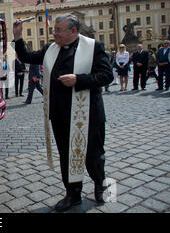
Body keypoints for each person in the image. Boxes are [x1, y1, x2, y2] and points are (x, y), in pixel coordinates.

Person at [13, 13, 113, 212]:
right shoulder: (50, 48)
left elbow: (106, 75)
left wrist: (78, 79)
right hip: (59, 114)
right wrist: (17, 36)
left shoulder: (94, 47)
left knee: (93, 155)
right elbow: (26, 57)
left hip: (89, 115)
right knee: (67, 156)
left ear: (73, 31)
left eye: (58, 30)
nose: (54, 33)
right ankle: (73, 194)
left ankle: (101, 184)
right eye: (54, 30)